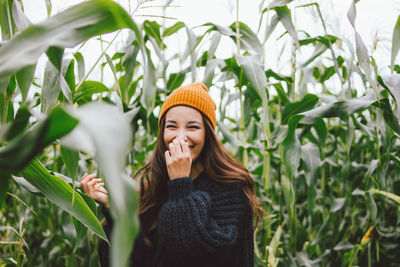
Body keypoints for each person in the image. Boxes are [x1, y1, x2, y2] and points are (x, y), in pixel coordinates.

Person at [80, 82, 263, 267]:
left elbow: (204, 255)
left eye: (192, 127)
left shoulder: (232, 189)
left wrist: (181, 185)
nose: (180, 137)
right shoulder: (156, 190)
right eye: (172, 126)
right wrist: (117, 214)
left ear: (208, 133)